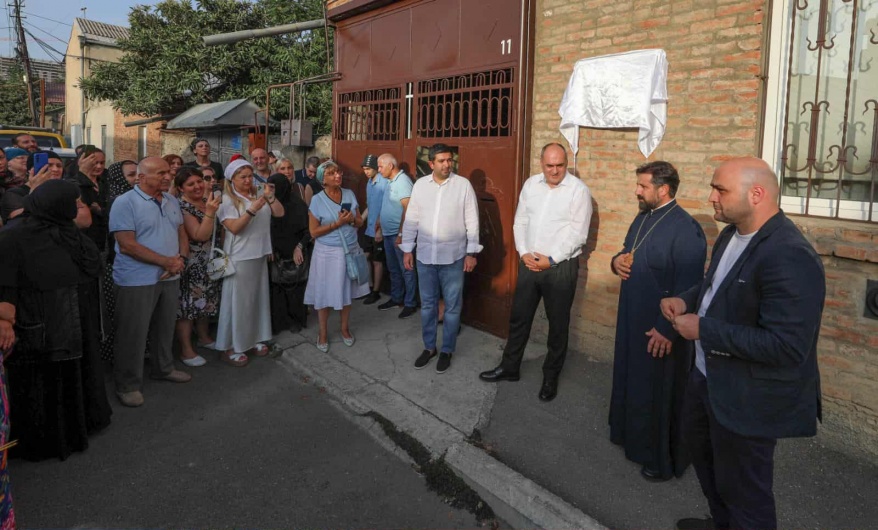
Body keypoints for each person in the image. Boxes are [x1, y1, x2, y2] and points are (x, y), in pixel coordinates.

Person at [662, 157, 825, 530]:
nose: (711, 197)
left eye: (720, 189)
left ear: (757, 194)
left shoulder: (789, 254)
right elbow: (717, 287)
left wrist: (703, 329)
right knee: (711, 471)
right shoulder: (730, 234)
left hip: (748, 397)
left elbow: (787, 346)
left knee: (746, 494)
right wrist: (686, 300)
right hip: (705, 379)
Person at [608, 161, 707, 482]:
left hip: (661, 327)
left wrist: (667, 330)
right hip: (632, 318)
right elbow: (627, 251)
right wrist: (616, 262)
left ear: (663, 190)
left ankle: (659, 458)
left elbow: (691, 289)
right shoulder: (643, 217)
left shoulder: (687, 230)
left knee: (658, 392)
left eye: (643, 186)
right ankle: (628, 437)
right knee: (632, 380)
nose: (636, 191)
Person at [0, 180, 111, 461]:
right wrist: (5, 320)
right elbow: (5, 281)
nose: (78, 207)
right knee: (45, 384)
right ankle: (46, 442)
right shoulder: (15, 235)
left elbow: (90, 263)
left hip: (75, 317)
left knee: (76, 375)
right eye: (73, 202)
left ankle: (80, 427)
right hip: (40, 323)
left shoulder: (65, 229)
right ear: (55, 204)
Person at [479, 143, 593, 402]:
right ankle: (510, 367)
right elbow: (520, 221)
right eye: (549, 165)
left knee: (558, 325)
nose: (555, 170)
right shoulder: (531, 185)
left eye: (560, 165)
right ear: (541, 163)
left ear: (566, 164)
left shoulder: (578, 191)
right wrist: (523, 253)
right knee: (519, 318)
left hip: (560, 267)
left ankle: (550, 377)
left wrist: (551, 260)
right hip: (529, 263)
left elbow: (578, 234)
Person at [109, 157, 192, 408]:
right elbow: (127, 245)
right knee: (132, 334)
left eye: (168, 172)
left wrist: (180, 260)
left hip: (170, 275)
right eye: (160, 173)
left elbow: (181, 232)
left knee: (164, 327)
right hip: (136, 279)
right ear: (141, 177)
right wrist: (166, 262)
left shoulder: (171, 200)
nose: (168, 176)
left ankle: (163, 368)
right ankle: (128, 384)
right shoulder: (125, 202)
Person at [401, 144, 481, 373]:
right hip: (425, 257)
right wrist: (408, 249)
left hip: (453, 258)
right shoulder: (420, 186)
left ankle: (447, 350)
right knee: (427, 305)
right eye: (442, 161)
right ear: (431, 164)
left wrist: (471, 253)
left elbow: (472, 221)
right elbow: (412, 219)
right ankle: (429, 348)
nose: (447, 164)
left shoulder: (462, 185)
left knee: (453, 307)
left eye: (449, 160)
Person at [215, 159, 285, 366]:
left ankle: (254, 337)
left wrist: (270, 197)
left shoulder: (257, 194)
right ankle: (231, 345)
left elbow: (280, 213)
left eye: (249, 176)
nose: (247, 180)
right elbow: (235, 228)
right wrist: (252, 209)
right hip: (240, 256)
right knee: (238, 303)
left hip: (259, 254)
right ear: (232, 180)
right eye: (242, 177)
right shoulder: (227, 200)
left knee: (256, 300)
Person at [303, 161, 369, 352]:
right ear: (322, 179)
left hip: (349, 250)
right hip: (326, 253)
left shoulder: (349, 194)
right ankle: (322, 332)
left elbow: (359, 222)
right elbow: (313, 232)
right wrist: (337, 224)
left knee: (346, 292)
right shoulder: (317, 200)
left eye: (339, 172)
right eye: (332, 174)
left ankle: (344, 329)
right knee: (324, 294)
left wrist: (352, 219)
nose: (338, 176)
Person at [175, 167, 222, 367]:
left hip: (210, 262)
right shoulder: (182, 207)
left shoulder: (206, 201)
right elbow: (199, 235)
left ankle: (204, 338)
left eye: (199, 181)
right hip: (192, 263)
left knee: (205, 302)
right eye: (190, 184)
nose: (197, 186)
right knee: (187, 308)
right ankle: (186, 350)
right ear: (180, 188)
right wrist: (210, 212)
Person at [99, 159, 138, 362]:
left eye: (138, 173)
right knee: (121, 314)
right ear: (118, 178)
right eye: (131, 175)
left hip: (130, 264)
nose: (137, 178)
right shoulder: (119, 200)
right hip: (118, 265)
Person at [268, 173, 310, 333]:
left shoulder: (298, 205)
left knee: (295, 290)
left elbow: (308, 230)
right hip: (275, 254)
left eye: (274, 187)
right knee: (276, 290)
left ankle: (296, 320)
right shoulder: (267, 204)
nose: (271, 191)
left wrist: (299, 247)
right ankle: (279, 322)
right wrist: (270, 247)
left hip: (295, 253)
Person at [376, 153, 417, 318]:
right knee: (393, 269)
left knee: (406, 269)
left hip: (398, 235)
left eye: (380, 166)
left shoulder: (403, 181)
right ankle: (397, 298)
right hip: (388, 233)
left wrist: (402, 233)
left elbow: (408, 209)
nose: (379, 170)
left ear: (390, 166)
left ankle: (410, 303)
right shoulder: (389, 181)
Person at [0, 150, 64, 224]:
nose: (55, 169)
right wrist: (36, 189)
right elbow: (23, 222)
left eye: (59, 166)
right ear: (31, 170)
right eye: (49, 165)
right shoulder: (14, 194)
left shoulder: (63, 191)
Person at [67, 148, 108, 252]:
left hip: (103, 237)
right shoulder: (74, 183)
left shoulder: (106, 182)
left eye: (102, 163)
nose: (99, 166)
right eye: (94, 163)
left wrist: (101, 210)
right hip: (84, 238)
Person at [360, 154, 387, 305]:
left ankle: (376, 291)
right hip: (369, 228)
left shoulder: (384, 183)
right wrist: (360, 220)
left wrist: (380, 230)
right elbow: (369, 206)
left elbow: (387, 207)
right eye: (364, 169)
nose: (366, 172)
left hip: (379, 229)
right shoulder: (369, 183)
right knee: (364, 257)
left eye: (369, 169)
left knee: (377, 261)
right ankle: (369, 288)